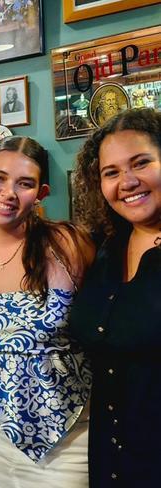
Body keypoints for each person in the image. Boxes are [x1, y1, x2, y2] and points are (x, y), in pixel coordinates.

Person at [0, 136, 94, 487]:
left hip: (70, 432)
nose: (8, 192)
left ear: (42, 193)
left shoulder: (69, 245)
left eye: (25, 183)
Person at [69, 108, 161, 486]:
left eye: (141, 163)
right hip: (110, 458)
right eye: (111, 172)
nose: (127, 181)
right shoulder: (103, 246)